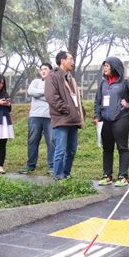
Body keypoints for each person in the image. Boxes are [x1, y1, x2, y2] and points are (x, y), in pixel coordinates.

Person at [94, 57, 129, 187]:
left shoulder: (125, 81)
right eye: (104, 66)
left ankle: (123, 176)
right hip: (106, 120)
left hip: (121, 118)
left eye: (107, 65)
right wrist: (97, 116)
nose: (104, 68)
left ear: (115, 66)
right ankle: (107, 175)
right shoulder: (103, 83)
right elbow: (97, 101)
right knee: (107, 148)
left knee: (122, 147)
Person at [45, 51, 85, 180]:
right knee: (60, 151)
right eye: (70, 59)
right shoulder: (53, 76)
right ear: (62, 60)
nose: (73, 62)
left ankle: (66, 175)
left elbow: (76, 98)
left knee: (71, 151)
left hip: (73, 119)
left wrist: (80, 112)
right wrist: (66, 109)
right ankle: (58, 177)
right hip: (62, 119)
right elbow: (51, 97)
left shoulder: (70, 77)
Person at [19, 63, 54, 175]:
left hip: (49, 116)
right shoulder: (35, 82)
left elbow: (53, 98)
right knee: (33, 140)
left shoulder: (54, 83)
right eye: (41, 69)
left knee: (51, 141)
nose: (43, 71)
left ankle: (52, 166)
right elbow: (30, 92)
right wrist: (46, 93)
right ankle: (30, 165)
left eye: (46, 69)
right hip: (35, 116)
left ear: (50, 71)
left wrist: (38, 95)